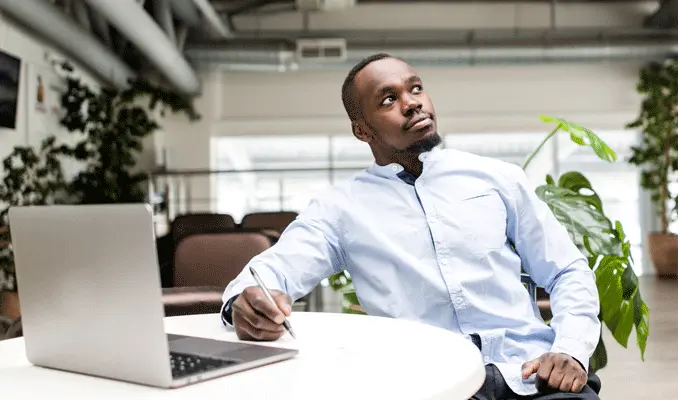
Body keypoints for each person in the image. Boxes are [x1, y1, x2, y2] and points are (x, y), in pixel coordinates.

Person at [220, 53, 602, 400]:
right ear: (362, 130)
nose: (412, 102)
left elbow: (567, 270)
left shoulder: (498, 179)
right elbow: (275, 270)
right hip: (427, 383)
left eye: (415, 88)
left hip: (532, 376)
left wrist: (570, 347)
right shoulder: (340, 208)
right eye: (389, 99)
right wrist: (248, 299)